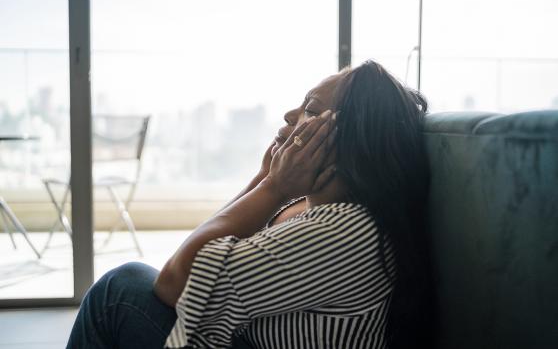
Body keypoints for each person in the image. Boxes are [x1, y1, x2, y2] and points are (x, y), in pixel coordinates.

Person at [66, 60, 433, 349]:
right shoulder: (310, 207)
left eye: (310, 108)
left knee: (119, 292)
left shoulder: (343, 231)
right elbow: (208, 250)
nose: (290, 115)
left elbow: (175, 283)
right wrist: (263, 180)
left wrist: (273, 187)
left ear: (345, 139)